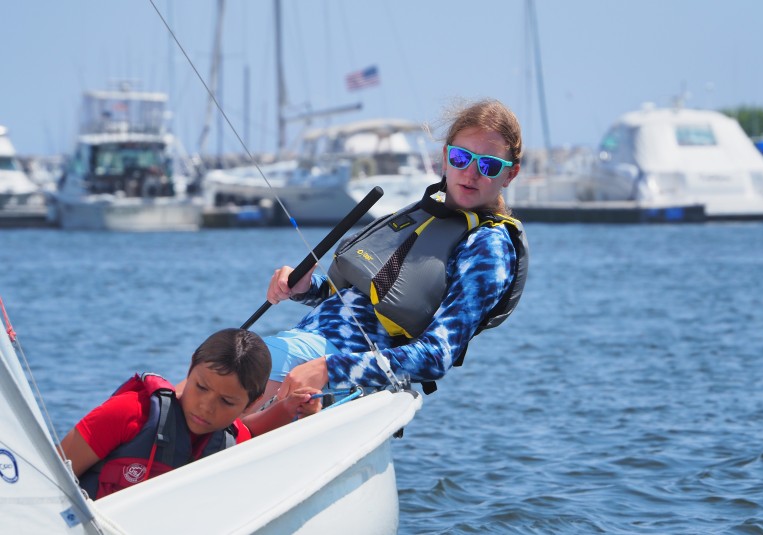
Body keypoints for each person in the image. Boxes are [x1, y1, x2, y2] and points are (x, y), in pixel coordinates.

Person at [260, 98, 529, 404]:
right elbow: (363, 298)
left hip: (339, 372)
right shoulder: (425, 214)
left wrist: (329, 369)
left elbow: (437, 355)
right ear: (445, 158)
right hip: (307, 346)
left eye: (488, 165)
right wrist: (307, 287)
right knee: (225, 355)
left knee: (238, 367)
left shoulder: (488, 246)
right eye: (461, 157)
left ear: (510, 174)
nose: (471, 172)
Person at [59, 328, 319, 499]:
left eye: (226, 401)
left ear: (251, 404)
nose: (206, 406)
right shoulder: (128, 413)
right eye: (201, 387)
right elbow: (48, 477)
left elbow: (250, 435)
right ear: (191, 366)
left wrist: (291, 410)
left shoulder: (228, 444)